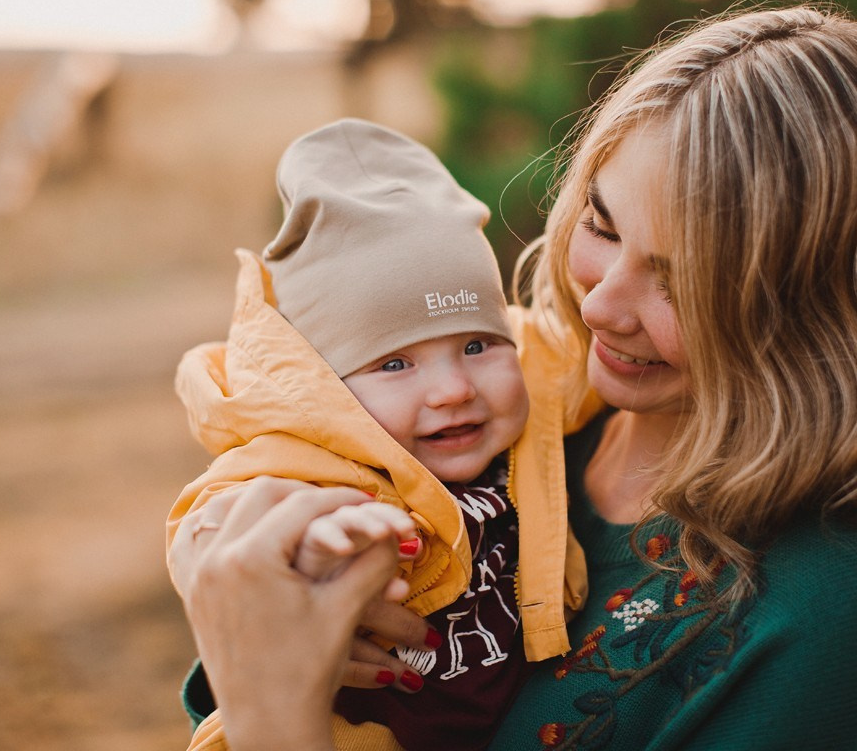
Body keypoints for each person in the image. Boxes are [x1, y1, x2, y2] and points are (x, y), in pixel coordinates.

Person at [175, 3, 857, 750]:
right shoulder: (518, 423)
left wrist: (273, 721)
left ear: (831, 314)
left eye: (685, 280)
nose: (603, 307)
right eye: (603, 225)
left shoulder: (835, 609)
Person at [166, 119, 597, 751]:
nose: (452, 389)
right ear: (329, 385)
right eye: (395, 363)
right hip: (354, 728)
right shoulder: (312, 455)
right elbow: (210, 522)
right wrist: (306, 540)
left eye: (477, 345)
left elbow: (594, 363)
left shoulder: (532, 395)